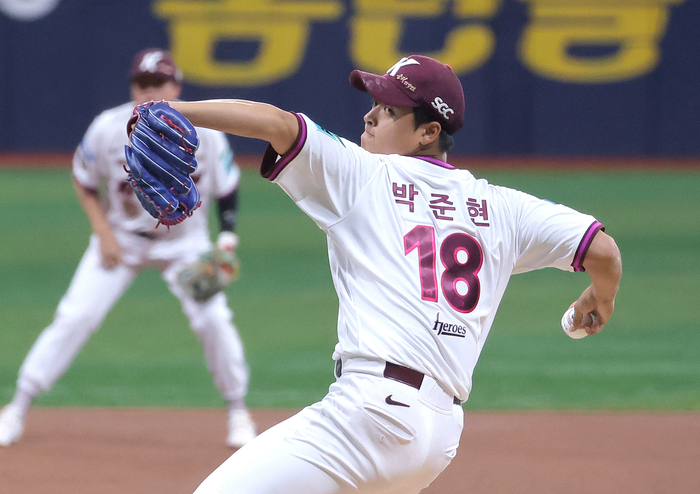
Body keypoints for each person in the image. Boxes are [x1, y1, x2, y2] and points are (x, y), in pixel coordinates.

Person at [145, 55, 622, 493]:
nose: (370, 116)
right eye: (374, 103)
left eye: (389, 110)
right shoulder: (502, 208)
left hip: (371, 415)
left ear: (428, 131)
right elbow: (603, 250)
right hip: (438, 438)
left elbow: (277, 123)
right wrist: (600, 299)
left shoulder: (366, 176)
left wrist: (173, 110)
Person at [0, 48, 256, 449]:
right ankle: (17, 406)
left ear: (177, 86)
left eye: (159, 82)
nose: (151, 90)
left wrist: (225, 243)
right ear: (133, 87)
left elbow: (227, 189)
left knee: (215, 321)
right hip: (122, 241)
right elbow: (83, 179)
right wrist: (102, 230)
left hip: (186, 246)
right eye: (143, 83)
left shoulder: (206, 131)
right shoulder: (107, 127)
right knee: (75, 316)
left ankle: (237, 411)